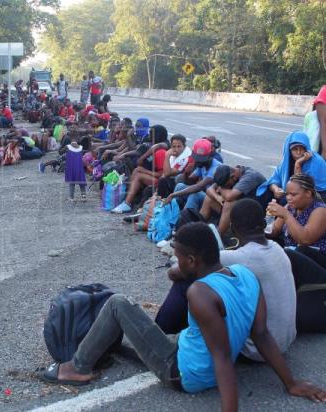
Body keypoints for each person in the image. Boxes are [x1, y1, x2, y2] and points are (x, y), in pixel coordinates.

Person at [40, 222, 326, 409]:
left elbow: (222, 358)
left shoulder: (200, 293)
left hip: (181, 373)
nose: (175, 261)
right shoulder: (245, 275)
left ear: (192, 260)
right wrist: (292, 383)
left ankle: (77, 367)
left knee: (117, 303)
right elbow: (261, 334)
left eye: (177, 256)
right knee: (136, 332)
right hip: (195, 357)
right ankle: (106, 349)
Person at [156, 199, 297, 363]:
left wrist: (180, 259)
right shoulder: (277, 248)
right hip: (284, 342)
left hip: (254, 350)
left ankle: (159, 335)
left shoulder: (239, 257)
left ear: (232, 228)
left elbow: (174, 273)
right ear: (264, 223)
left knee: (188, 280)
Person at [267, 173, 326, 269]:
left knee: (300, 250)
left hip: (316, 260)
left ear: (308, 193)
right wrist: (262, 225)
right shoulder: (290, 207)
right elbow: (274, 231)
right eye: (287, 194)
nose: (288, 198)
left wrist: (286, 215)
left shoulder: (320, 210)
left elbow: (305, 240)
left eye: (293, 194)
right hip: (293, 254)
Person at [256, 131, 326, 205]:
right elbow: (273, 180)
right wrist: (276, 189)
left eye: (302, 149)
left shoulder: (316, 162)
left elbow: (301, 189)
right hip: (294, 193)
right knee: (265, 194)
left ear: (306, 148)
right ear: (289, 150)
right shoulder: (286, 161)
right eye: (295, 149)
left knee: (285, 201)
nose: (298, 152)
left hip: (316, 196)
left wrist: (297, 165)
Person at [200, 165, 268, 235]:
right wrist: (218, 197)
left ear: (233, 177)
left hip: (256, 215)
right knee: (209, 198)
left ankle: (218, 238)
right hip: (242, 209)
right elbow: (209, 190)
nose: (226, 187)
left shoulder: (250, 176)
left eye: (227, 185)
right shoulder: (230, 173)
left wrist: (221, 189)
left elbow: (229, 197)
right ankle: (197, 228)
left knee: (229, 203)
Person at [164, 139, 222, 211]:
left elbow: (198, 187)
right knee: (180, 185)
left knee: (195, 195)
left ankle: (185, 218)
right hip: (204, 193)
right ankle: (172, 211)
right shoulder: (202, 164)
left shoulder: (215, 168)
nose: (198, 161)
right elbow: (189, 182)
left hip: (213, 198)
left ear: (210, 155)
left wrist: (173, 195)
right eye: (197, 158)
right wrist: (186, 173)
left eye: (201, 159)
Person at [64, 135, 87, 202]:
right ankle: (83, 196)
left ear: (70, 140)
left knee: (72, 182)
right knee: (81, 182)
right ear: (78, 140)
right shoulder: (81, 148)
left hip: (71, 168)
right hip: (79, 168)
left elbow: (60, 151)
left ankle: (72, 197)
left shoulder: (67, 147)